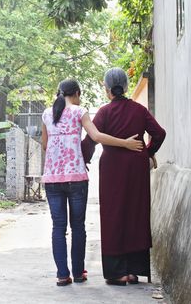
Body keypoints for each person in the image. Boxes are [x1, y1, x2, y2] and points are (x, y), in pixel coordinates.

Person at [41, 79, 143, 287]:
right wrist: (125, 143)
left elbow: (45, 144)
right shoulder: (80, 111)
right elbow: (96, 136)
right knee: (77, 226)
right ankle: (78, 273)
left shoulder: (46, 113)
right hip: (76, 178)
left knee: (58, 227)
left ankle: (62, 275)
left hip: (52, 179)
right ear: (77, 93)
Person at [81, 67, 166, 286]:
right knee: (136, 213)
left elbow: (90, 141)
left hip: (112, 169)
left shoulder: (104, 112)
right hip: (137, 167)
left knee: (114, 214)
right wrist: (148, 152)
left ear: (107, 88)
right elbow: (159, 133)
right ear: (126, 87)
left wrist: (83, 159)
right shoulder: (139, 110)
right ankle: (134, 270)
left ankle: (118, 272)